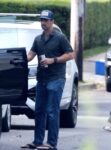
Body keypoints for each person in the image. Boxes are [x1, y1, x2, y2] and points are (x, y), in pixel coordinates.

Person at [21, 10, 74, 150]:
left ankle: (51, 144)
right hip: (42, 79)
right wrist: (18, 59)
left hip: (56, 79)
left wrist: (54, 60)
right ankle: (37, 142)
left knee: (52, 111)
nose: (43, 22)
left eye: (46, 20)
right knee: (39, 111)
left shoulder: (60, 37)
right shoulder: (38, 39)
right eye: (41, 20)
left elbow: (70, 54)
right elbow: (31, 55)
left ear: (52, 21)